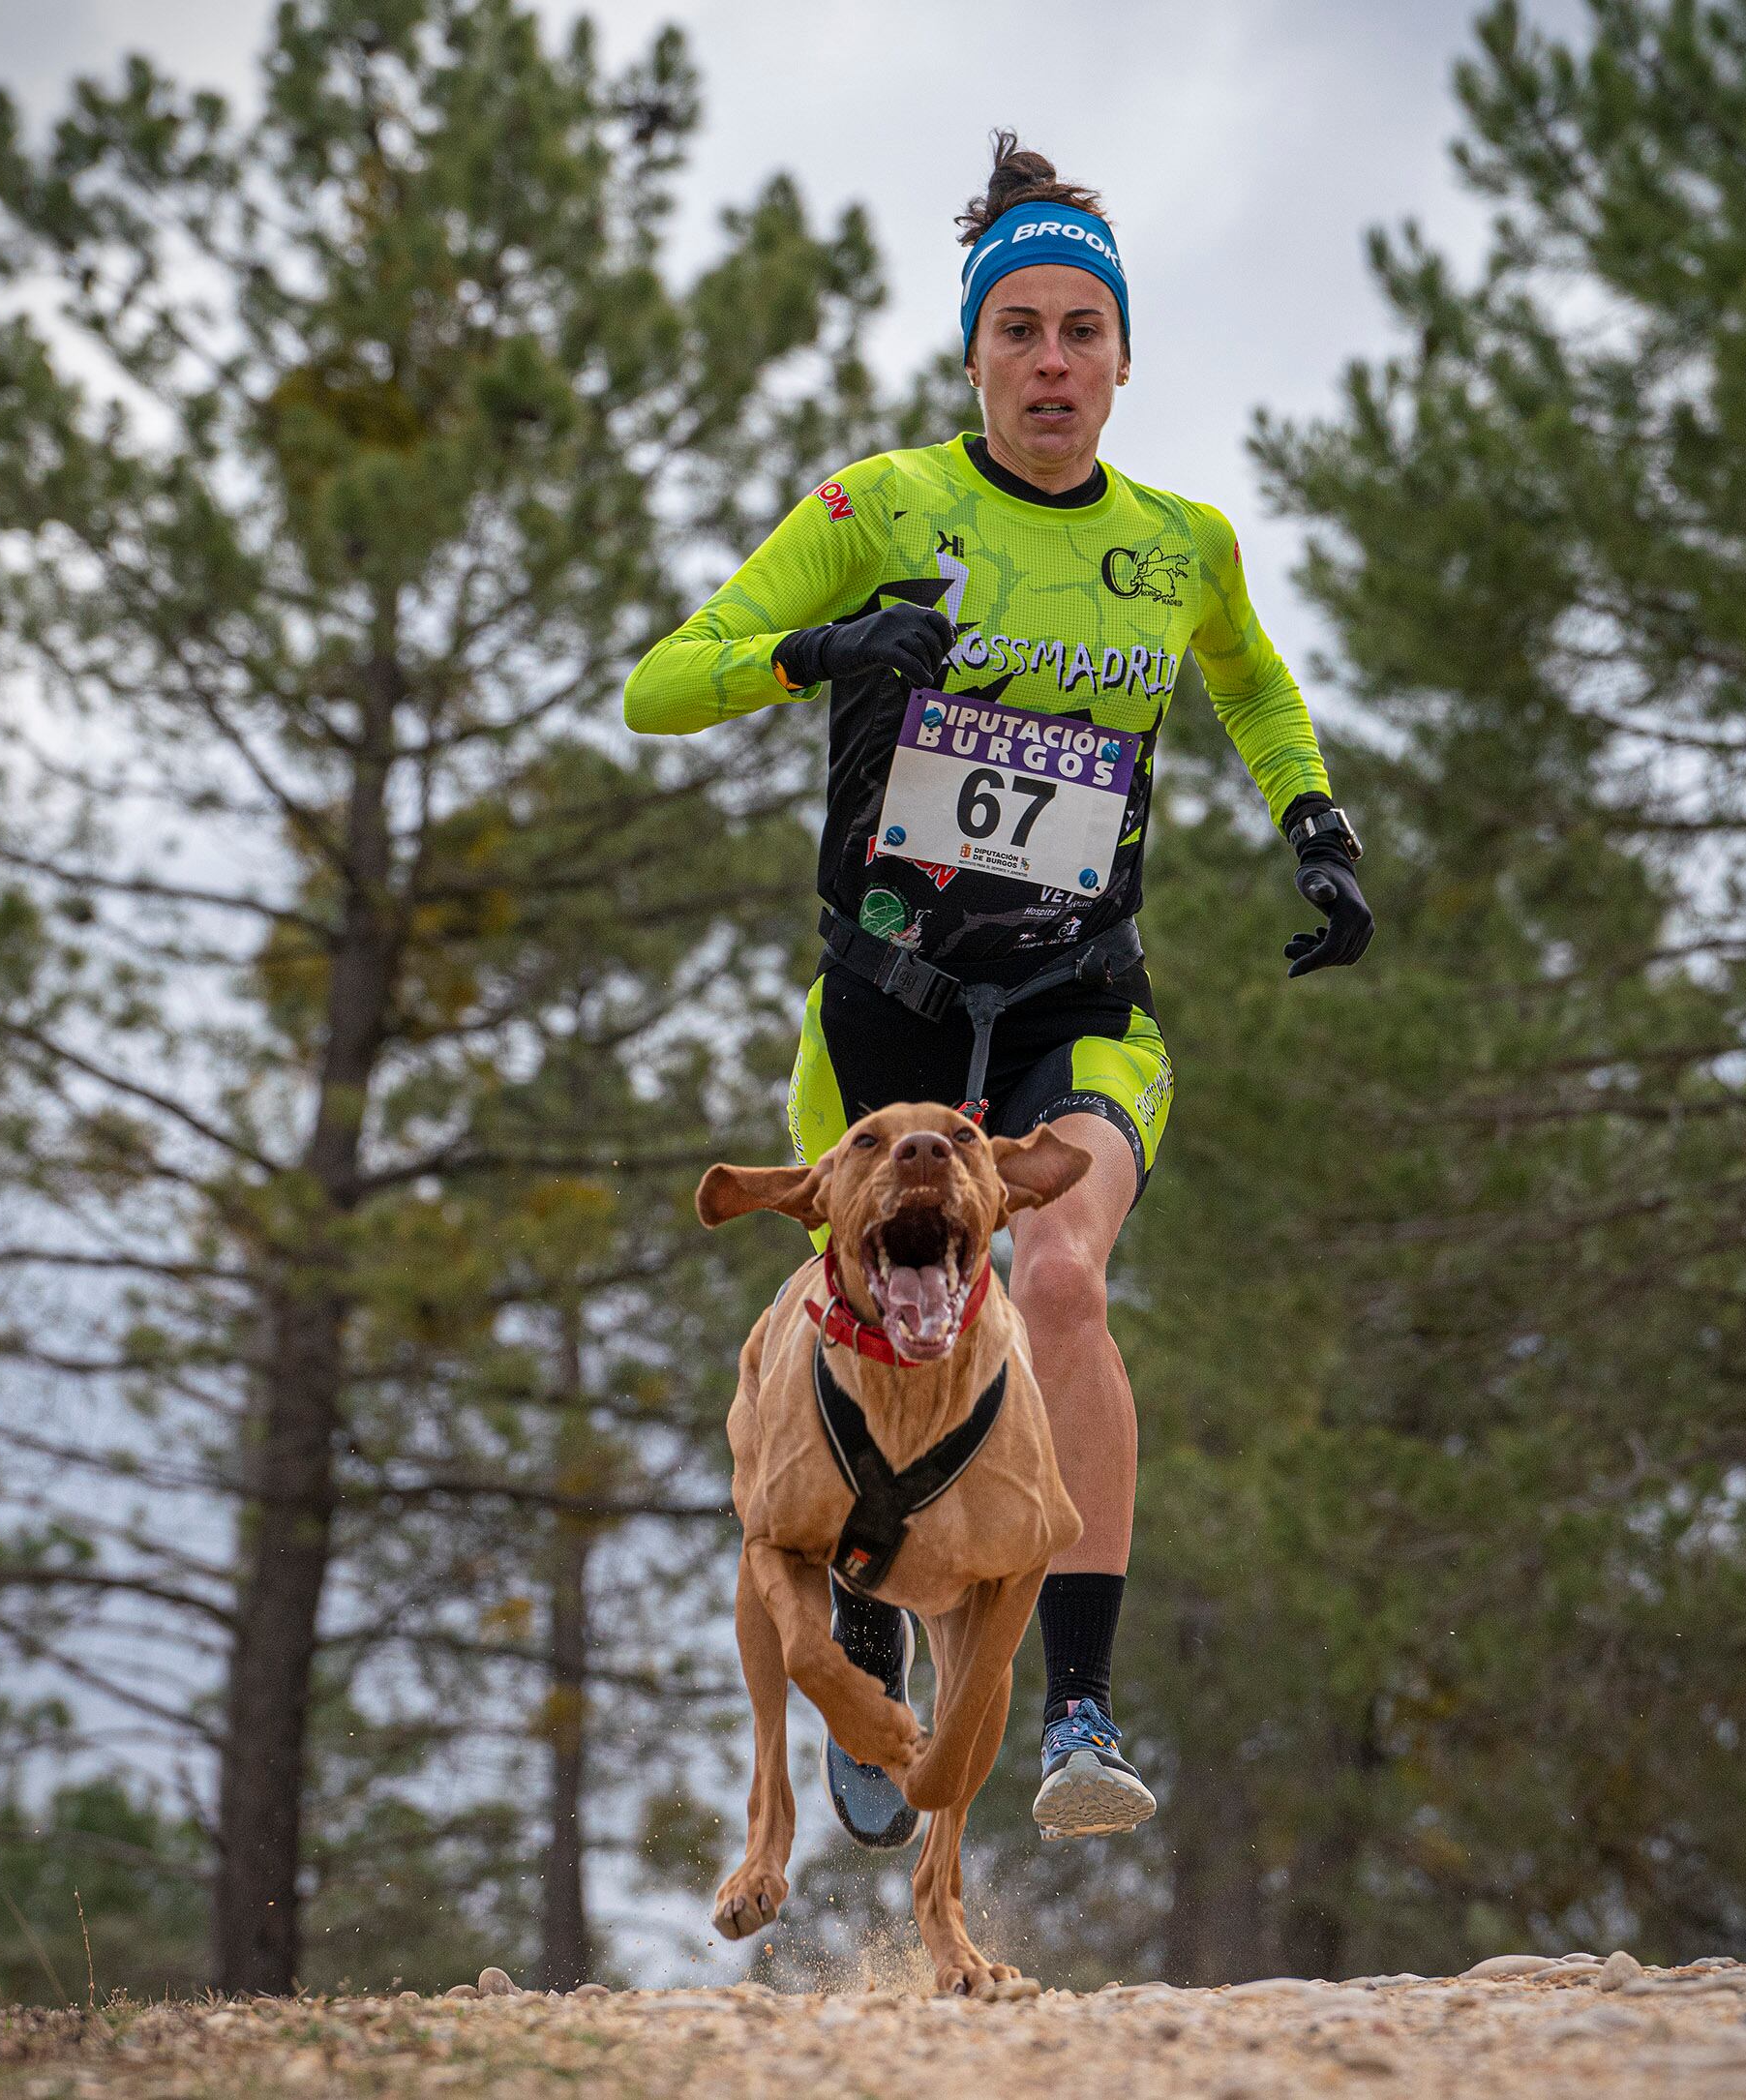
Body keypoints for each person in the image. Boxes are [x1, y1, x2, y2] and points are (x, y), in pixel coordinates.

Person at [625, 134, 1370, 1849]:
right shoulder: (887, 507)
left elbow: (1256, 694)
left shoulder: (1181, 542)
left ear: (1123, 359)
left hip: (1075, 1011)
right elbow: (659, 687)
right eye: (1018, 330)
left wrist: (1315, 828)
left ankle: (1080, 1710)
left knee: (1057, 1282)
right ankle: (869, 1602)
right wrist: (823, 650)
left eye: (1081, 332)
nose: (1051, 362)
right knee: (882, 1328)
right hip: (882, 1023)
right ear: (973, 356)